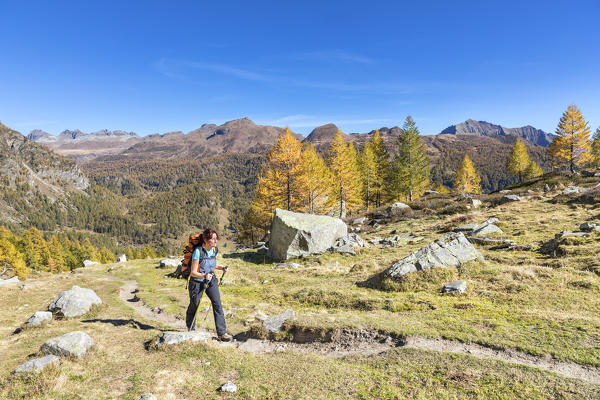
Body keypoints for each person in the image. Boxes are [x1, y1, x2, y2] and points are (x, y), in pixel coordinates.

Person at [185, 228, 232, 341]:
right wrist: (204, 276)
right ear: (206, 240)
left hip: (211, 280)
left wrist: (221, 268)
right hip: (196, 282)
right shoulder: (198, 251)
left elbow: (211, 264)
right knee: (194, 305)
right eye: (213, 239)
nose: (216, 241)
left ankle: (222, 333)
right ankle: (191, 329)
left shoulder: (214, 250)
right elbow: (193, 272)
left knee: (217, 304)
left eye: (216, 238)